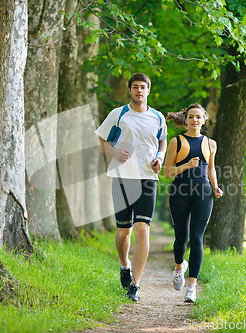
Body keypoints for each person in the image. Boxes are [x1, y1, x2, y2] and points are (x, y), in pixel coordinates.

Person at [95, 73, 167, 303]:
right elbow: (102, 141)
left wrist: (160, 157)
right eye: (135, 87)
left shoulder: (157, 117)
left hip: (147, 178)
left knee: (142, 229)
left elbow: (162, 140)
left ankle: (135, 285)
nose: (139, 91)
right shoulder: (118, 114)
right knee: (123, 232)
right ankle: (124, 265)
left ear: (148, 91)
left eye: (143, 87)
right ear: (130, 90)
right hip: (122, 177)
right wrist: (116, 153)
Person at [163, 103, 223, 302]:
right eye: (191, 117)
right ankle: (179, 267)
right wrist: (187, 165)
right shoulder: (176, 142)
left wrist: (215, 186)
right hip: (180, 190)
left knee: (197, 238)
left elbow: (210, 169)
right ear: (186, 119)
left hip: (203, 192)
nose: (195, 120)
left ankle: (192, 287)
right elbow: (167, 172)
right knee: (181, 238)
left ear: (204, 119)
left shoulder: (210, 144)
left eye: (198, 117)